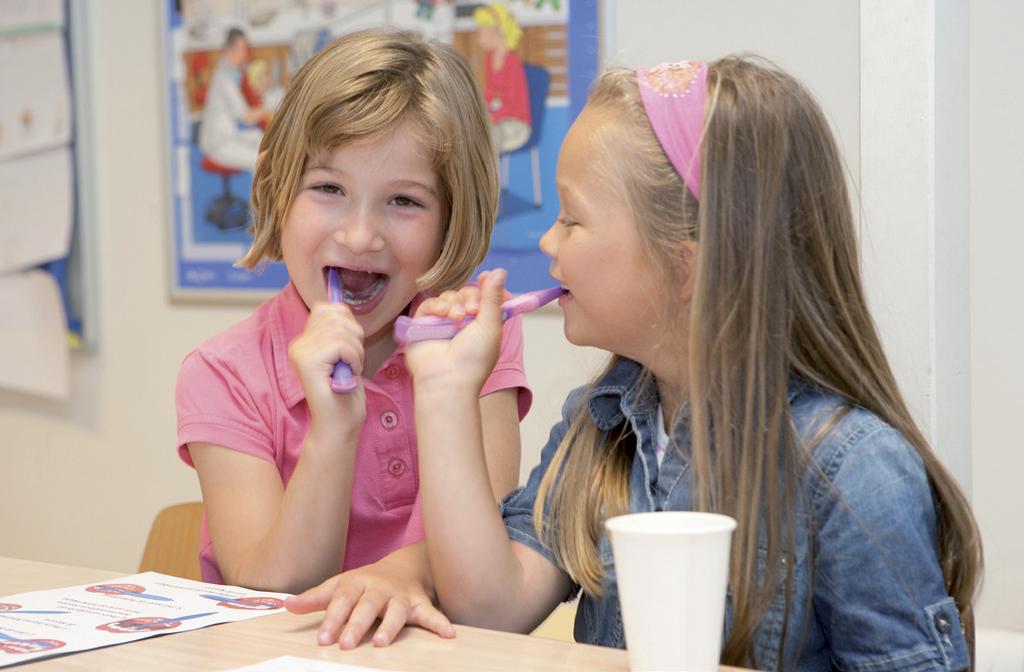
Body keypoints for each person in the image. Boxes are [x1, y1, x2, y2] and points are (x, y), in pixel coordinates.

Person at [289, 56, 983, 669]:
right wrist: (442, 392)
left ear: (684, 266)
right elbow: (490, 610)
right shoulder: (604, 427)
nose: (548, 243)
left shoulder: (854, 473)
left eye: (572, 218)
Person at [175, 28, 530, 596]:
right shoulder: (223, 374)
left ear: (452, 217)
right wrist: (335, 429)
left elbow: (481, 561)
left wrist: (400, 577)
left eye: (404, 201)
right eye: (328, 188)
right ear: (272, 186)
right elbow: (274, 586)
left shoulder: (476, 344)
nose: (360, 236)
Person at [198, 27, 265, 171]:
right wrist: (272, 107)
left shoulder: (229, 72)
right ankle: (261, 194)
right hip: (218, 142)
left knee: (260, 138)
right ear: (230, 49)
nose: (244, 54)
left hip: (229, 134)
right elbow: (246, 118)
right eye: (241, 49)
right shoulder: (224, 78)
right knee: (259, 162)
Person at [474, 3, 531, 154]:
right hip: (495, 120)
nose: (479, 36)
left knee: (487, 137)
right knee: (476, 133)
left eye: (482, 31)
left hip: (516, 124)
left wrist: (491, 118)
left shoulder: (513, 62)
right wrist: (482, 112)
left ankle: (487, 175)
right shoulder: (489, 58)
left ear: (496, 31)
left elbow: (512, 104)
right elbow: (489, 94)